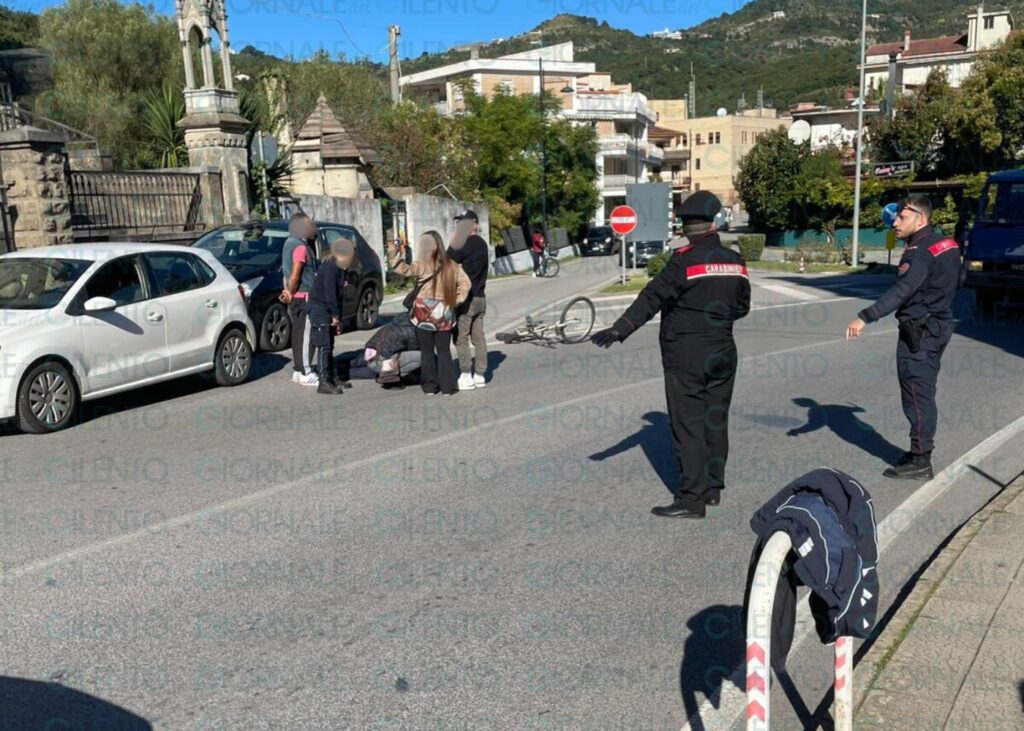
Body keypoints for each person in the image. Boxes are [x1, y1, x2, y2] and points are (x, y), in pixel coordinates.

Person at [591, 190, 751, 519]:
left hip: (687, 355)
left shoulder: (683, 262)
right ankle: (713, 488)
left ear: (686, 226)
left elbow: (652, 298)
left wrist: (619, 330)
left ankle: (691, 499)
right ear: (714, 224)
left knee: (689, 425)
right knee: (715, 420)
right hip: (723, 350)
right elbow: (742, 307)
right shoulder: (736, 262)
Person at [844, 195, 960, 480]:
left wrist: (866, 316)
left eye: (902, 217)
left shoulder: (918, 251)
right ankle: (919, 449)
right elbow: (959, 278)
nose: (894, 222)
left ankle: (921, 459)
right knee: (923, 390)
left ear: (921, 219)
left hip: (919, 332)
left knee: (916, 394)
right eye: (895, 216)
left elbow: (901, 291)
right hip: (939, 324)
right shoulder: (946, 244)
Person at [386, 231, 470, 395]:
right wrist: (455, 300)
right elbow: (465, 284)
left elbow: (404, 270)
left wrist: (394, 254)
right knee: (444, 351)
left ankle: (430, 387)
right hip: (444, 312)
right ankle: (447, 387)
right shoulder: (452, 265)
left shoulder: (422, 264)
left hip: (423, 313)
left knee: (427, 351)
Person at [306, 237, 357, 395]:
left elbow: (339, 293)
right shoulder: (330, 267)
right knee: (324, 345)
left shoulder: (342, 269)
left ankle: (333, 377)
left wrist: (338, 316)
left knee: (330, 344)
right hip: (319, 308)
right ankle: (324, 381)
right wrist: (334, 314)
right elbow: (330, 294)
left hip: (327, 308)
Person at [448, 209, 490, 390]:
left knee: (461, 337)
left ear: (474, 224)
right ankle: (480, 374)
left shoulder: (461, 243)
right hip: (481, 297)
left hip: (466, 299)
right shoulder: (481, 243)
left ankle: (466, 375)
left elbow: (444, 263)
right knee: (479, 338)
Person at [279, 214, 319, 386]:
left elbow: (286, 273)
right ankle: (305, 372)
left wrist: (288, 291)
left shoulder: (288, 243)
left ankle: (298, 370)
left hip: (296, 297)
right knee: (306, 336)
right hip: (305, 296)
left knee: (298, 334)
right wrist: (291, 290)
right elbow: (295, 274)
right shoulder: (300, 247)